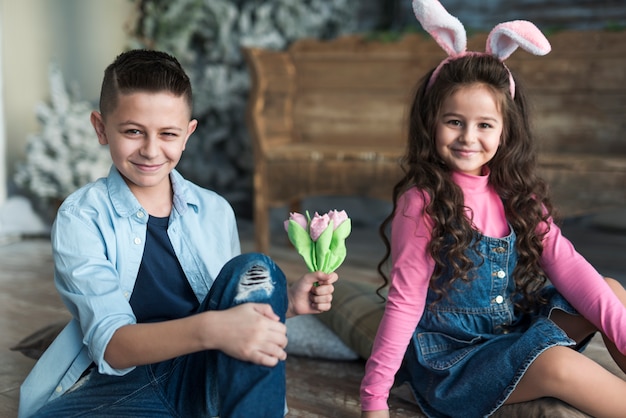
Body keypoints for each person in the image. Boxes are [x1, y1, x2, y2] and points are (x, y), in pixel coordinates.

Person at [18, 49, 338, 418]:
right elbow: (112, 346)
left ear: (188, 134)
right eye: (133, 131)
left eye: (167, 133)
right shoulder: (80, 218)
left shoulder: (215, 211)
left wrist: (290, 305)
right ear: (101, 127)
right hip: (123, 386)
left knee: (256, 269)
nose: (151, 150)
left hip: (206, 376)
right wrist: (213, 329)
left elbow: (232, 307)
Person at [361, 1, 626, 417]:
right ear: (431, 123)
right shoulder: (422, 203)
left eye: (484, 124)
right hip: (455, 364)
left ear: (505, 132)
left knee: (609, 291)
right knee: (559, 364)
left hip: (511, 331)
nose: (468, 137)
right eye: (454, 121)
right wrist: (374, 400)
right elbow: (404, 302)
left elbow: (570, 268)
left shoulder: (517, 196)